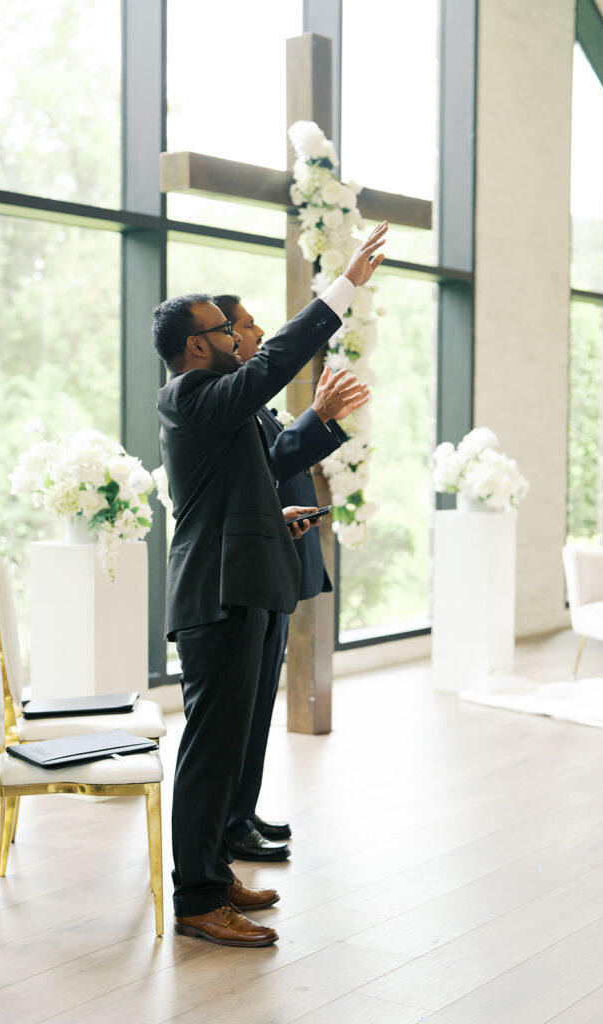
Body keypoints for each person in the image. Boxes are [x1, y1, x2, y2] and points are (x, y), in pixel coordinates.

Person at [151, 221, 386, 948]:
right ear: (197, 347)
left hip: (245, 582)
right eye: (225, 329)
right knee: (210, 752)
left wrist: (276, 507)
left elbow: (253, 474)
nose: (236, 337)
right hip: (216, 594)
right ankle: (196, 901)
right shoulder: (190, 395)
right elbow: (276, 359)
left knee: (229, 749)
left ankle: (214, 876)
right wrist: (343, 288)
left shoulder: (217, 402)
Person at [212, 292, 370, 862]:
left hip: (276, 563)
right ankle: (229, 823)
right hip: (248, 574)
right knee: (241, 713)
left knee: (260, 710)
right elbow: (270, 465)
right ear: (222, 338)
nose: (256, 333)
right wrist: (316, 418)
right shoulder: (224, 403)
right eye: (247, 325)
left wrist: (317, 420)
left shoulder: (251, 403)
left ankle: (241, 810)